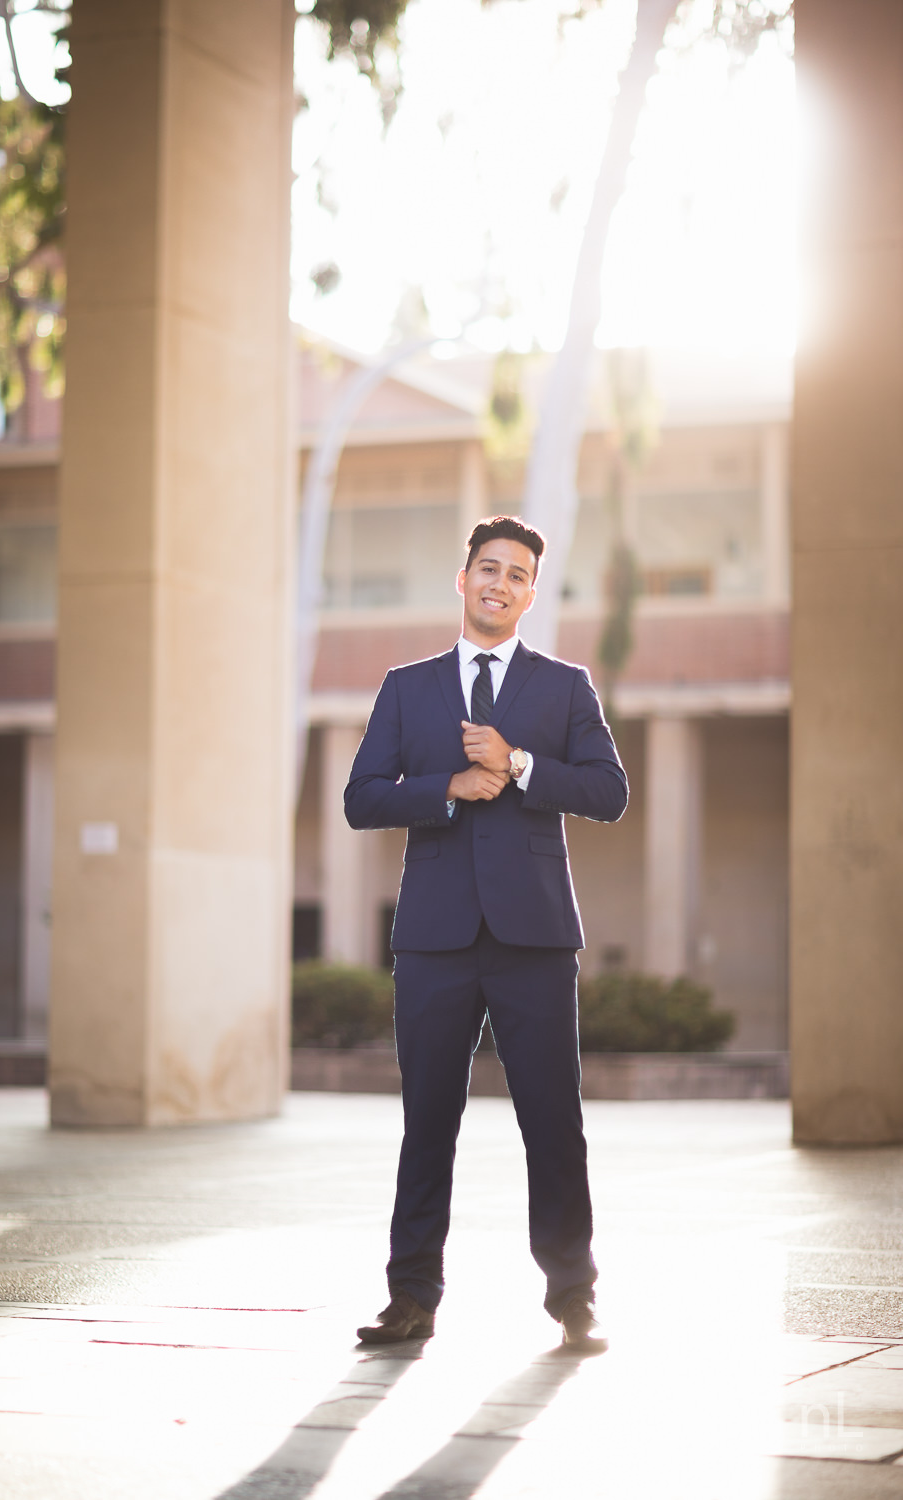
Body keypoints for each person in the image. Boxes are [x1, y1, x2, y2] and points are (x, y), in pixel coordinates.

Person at [344, 515, 629, 1352]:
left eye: (517, 575)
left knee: (553, 1121)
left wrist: (521, 764)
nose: (500, 584)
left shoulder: (565, 686)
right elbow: (363, 797)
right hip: (432, 938)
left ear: (532, 593)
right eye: (487, 569)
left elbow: (610, 793)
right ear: (462, 578)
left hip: (535, 937)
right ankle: (411, 1298)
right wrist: (451, 785)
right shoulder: (408, 686)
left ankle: (573, 1296)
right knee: (428, 1119)